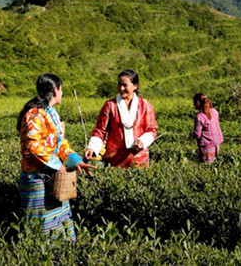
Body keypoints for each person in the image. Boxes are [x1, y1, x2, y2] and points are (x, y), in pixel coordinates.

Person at [17, 73, 94, 241]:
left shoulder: (50, 113)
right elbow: (33, 148)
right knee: (41, 228)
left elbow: (61, 144)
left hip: (54, 180)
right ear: (55, 90)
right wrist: (58, 166)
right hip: (37, 179)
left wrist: (77, 161)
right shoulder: (35, 115)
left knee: (60, 225)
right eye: (61, 89)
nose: (62, 93)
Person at [84, 69, 158, 168]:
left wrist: (142, 141)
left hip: (139, 159)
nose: (121, 88)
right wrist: (92, 148)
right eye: (119, 84)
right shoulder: (110, 105)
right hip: (114, 159)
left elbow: (152, 129)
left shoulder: (145, 105)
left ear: (135, 86)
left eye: (125, 85)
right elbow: (100, 130)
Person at [190, 93, 224, 163]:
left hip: (207, 145)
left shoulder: (199, 117)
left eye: (194, 102)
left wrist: (191, 134)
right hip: (217, 143)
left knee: (206, 165)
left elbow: (197, 135)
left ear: (198, 103)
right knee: (215, 163)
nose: (193, 104)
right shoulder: (214, 111)